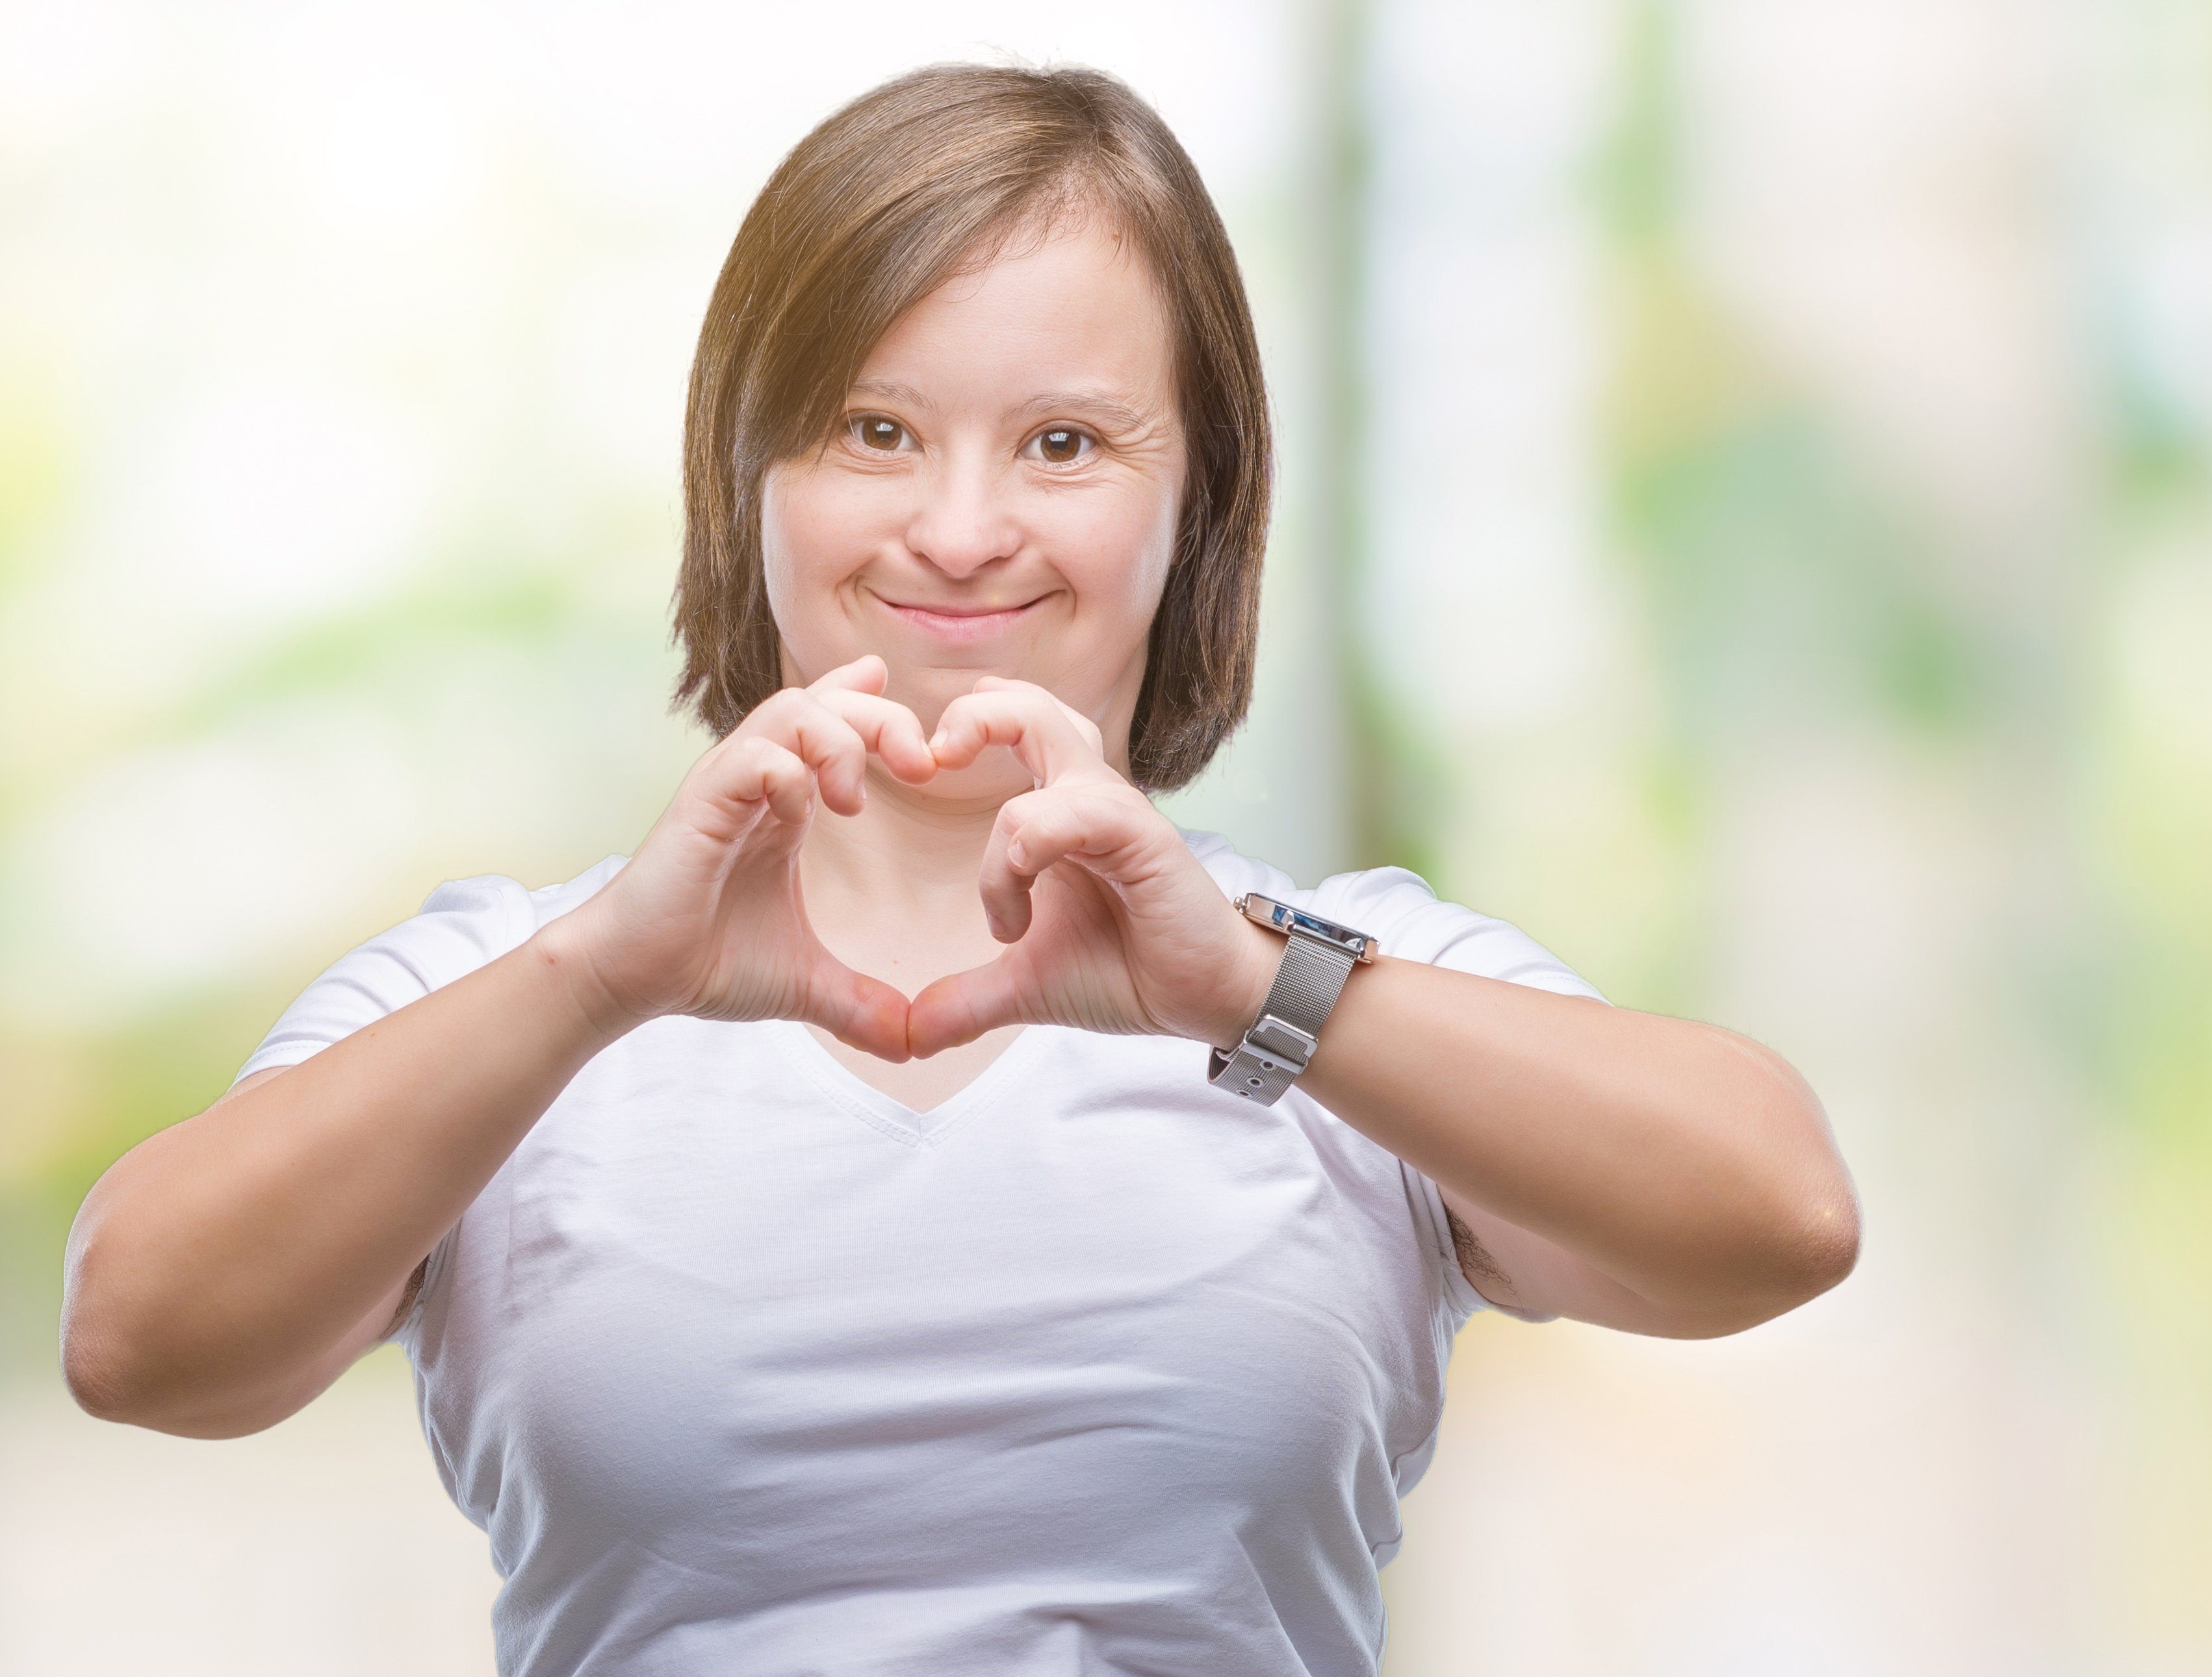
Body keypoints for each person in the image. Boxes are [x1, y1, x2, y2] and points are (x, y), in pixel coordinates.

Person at [59, 63, 1859, 1676]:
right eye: (874, 430)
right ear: (745, 475)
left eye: (1065, 442)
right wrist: (604, 979)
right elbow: (140, 1339)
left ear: (1196, 499)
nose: (963, 526)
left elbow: (1778, 1219)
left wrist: (1246, 986)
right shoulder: (517, 991)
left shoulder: (1335, 978)